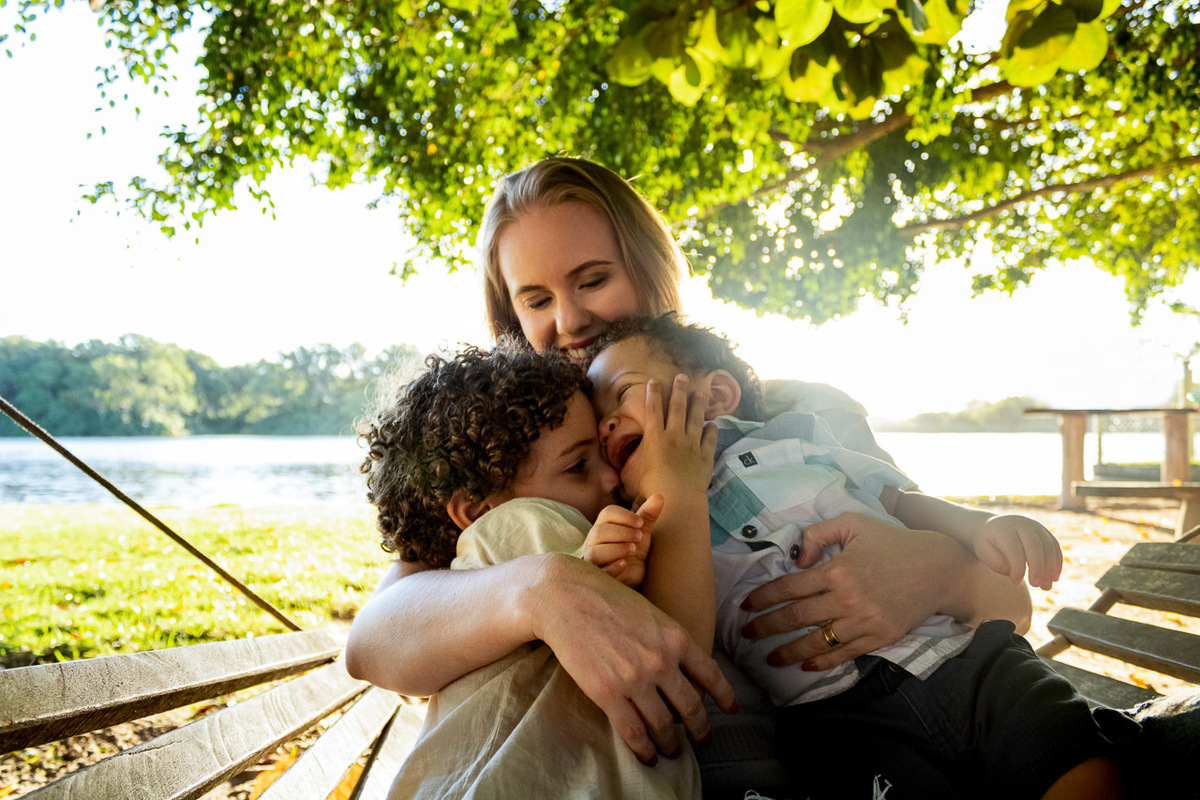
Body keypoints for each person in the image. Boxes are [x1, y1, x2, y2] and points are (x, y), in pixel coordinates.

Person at [344, 156, 1034, 792]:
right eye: (535, 299)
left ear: (650, 271)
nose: (571, 318)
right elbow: (375, 640)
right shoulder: (530, 462)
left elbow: (1006, 605)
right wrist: (539, 586)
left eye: (592, 279)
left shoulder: (799, 413)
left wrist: (943, 569)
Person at [585, 314, 1135, 799]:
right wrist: (674, 498)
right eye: (597, 419)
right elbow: (684, 639)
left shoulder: (798, 442)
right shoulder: (644, 527)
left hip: (961, 656)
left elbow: (897, 499)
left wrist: (980, 524)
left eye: (624, 392)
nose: (607, 421)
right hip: (834, 723)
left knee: (1075, 760)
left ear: (717, 395)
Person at [357, 342, 706, 798]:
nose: (611, 479)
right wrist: (678, 491)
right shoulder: (520, 523)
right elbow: (676, 657)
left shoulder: (473, 565)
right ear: (479, 508)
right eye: (579, 465)